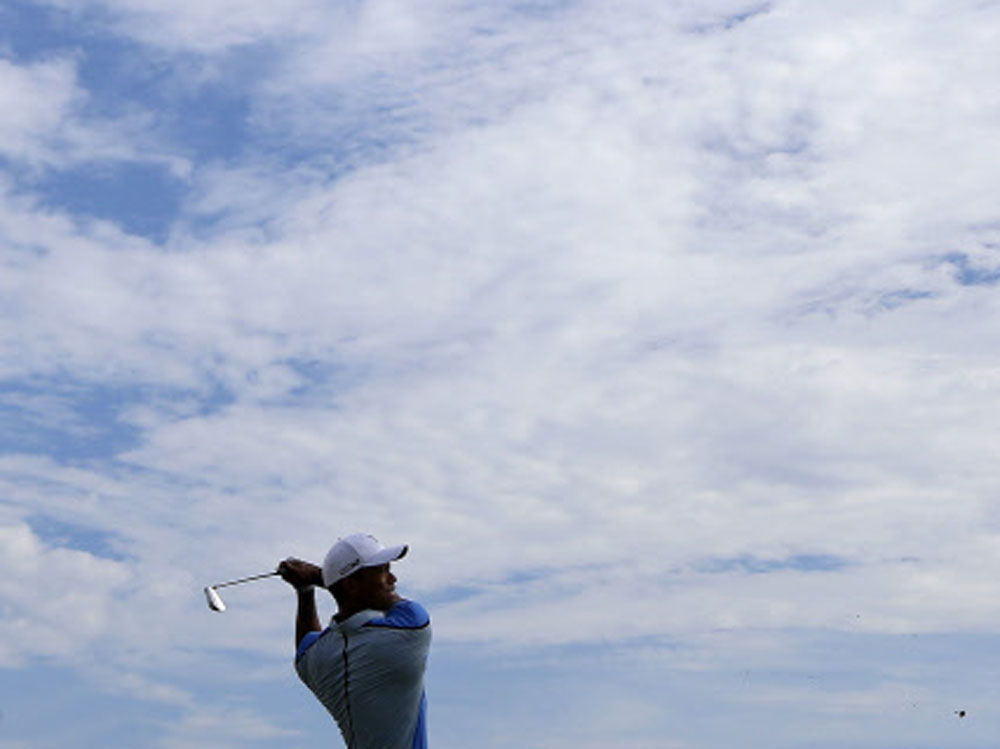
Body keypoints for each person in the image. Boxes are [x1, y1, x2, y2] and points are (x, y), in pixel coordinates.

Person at [278, 533, 431, 749]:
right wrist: (314, 575)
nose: (392, 579)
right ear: (352, 585)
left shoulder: (316, 658)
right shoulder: (407, 630)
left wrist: (306, 591)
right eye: (381, 571)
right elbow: (399, 605)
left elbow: (306, 643)